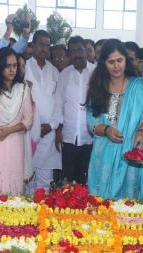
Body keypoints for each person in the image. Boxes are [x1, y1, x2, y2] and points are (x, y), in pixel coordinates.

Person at [86, 39, 143, 200]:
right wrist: (107, 130)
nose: (116, 66)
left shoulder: (137, 85)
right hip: (103, 156)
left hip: (129, 156)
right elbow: (92, 124)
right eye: (111, 62)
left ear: (125, 60)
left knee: (127, 207)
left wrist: (141, 131)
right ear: (103, 63)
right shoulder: (98, 86)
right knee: (100, 204)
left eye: (119, 60)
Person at [0, 47, 33, 195]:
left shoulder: (23, 89)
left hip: (16, 141)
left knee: (15, 182)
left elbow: (28, 120)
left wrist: (9, 130)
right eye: (7, 66)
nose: (12, 70)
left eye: (15, 65)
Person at [25, 30, 62, 191]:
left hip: (48, 132)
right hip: (27, 133)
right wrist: (32, 126)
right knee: (26, 180)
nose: (44, 49)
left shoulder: (54, 71)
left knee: (45, 184)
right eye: (41, 44)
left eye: (47, 46)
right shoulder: (23, 67)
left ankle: (42, 215)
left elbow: (59, 102)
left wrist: (52, 125)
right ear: (32, 46)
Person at [57, 36, 95, 184]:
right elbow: (59, 104)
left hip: (90, 138)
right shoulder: (64, 75)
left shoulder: (96, 73)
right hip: (68, 138)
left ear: (86, 51)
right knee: (67, 181)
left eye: (79, 49)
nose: (76, 54)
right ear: (69, 55)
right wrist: (58, 130)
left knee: (86, 181)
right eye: (72, 51)